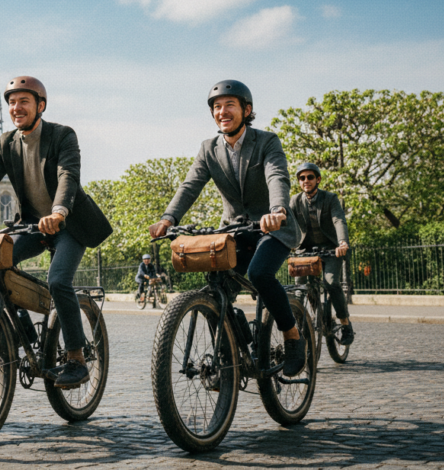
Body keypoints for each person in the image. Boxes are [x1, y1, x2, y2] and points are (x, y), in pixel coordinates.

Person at [0, 76, 113, 389]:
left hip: (69, 224)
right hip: (32, 224)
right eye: (11, 102)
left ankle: (76, 358)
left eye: (24, 101)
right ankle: (28, 336)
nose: (16, 107)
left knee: (58, 281)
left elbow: (68, 175)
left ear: (40, 106)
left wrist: (59, 211)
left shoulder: (62, 135)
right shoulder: (6, 143)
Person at [148, 80, 307, 376]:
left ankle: (292, 334)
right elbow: (190, 185)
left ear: (246, 110)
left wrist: (277, 210)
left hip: (272, 228)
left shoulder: (266, 141)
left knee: (260, 273)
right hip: (235, 231)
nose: (222, 111)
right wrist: (168, 219)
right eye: (217, 107)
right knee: (216, 288)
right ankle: (230, 353)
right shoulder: (208, 149)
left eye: (229, 105)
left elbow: (277, 176)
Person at [291, 162, 354, 345]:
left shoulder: (330, 198)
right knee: (300, 287)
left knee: (331, 282)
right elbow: (287, 224)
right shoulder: (295, 201)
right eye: (302, 178)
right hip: (306, 251)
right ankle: (303, 323)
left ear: (317, 179)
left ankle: (345, 323)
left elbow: (338, 220)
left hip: (331, 249)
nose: (306, 180)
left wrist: (342, 242)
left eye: (310, 177)